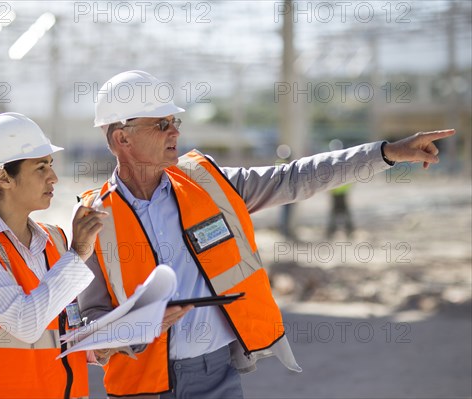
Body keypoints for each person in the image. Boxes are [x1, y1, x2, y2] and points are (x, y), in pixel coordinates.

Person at [76, 70, 456, 398]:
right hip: (141, 385)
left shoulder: (208, 184)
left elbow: (294, 178)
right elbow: (89, 323)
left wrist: (384, 153)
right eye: (161, 124)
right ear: (121, 139)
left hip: (215, 376)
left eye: (175, 121)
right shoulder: (93, 218)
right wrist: (136, 328)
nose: (175, 130)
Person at [0, 113, 107, 398]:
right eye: (41, 167)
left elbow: (59, 328)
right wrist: (78, 253)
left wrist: (99, 345)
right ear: (3, 176)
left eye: (50, 165)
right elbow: (26, 324)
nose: (53, 177)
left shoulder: (54, 238)